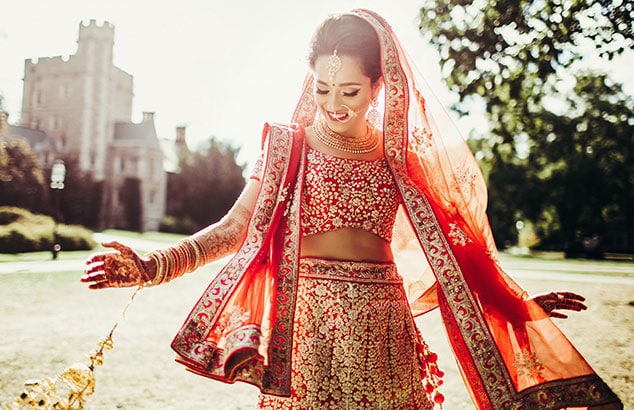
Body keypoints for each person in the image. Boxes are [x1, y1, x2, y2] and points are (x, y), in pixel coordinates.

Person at [81, 9, 622, 410]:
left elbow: (457, 251)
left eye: (350, 92)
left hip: (383, 330)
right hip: (308, 328)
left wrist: (515, 303)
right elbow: (234, 230)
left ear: (378, 86)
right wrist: (152, 267)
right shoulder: (286, 149)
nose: (334, 106)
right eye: (322, 90)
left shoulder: (401, 160)